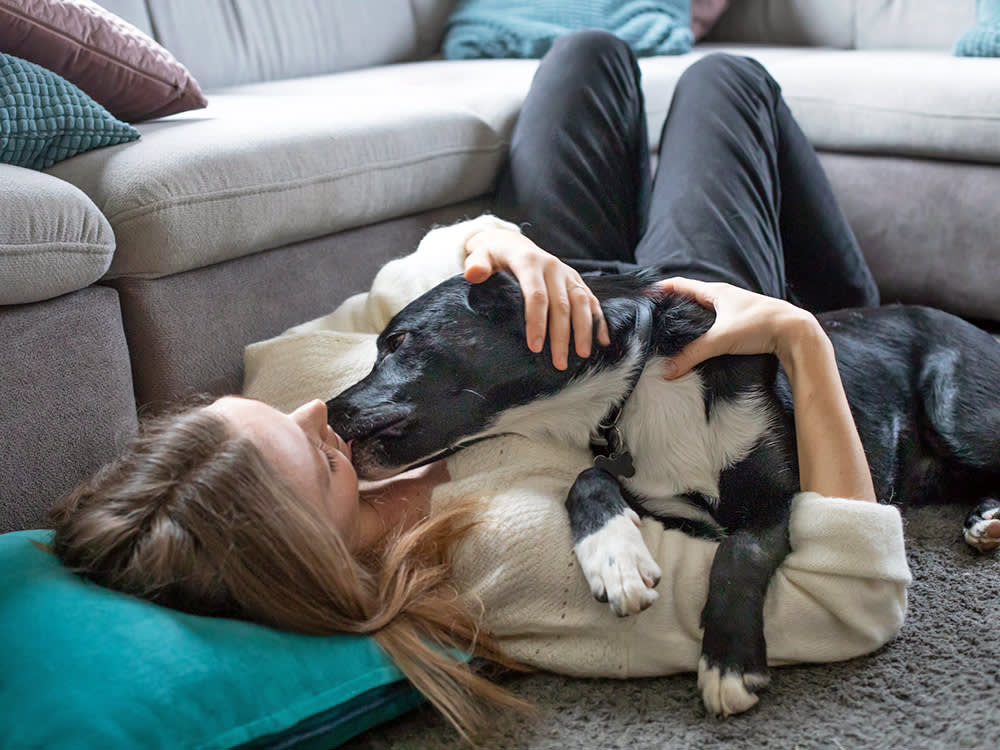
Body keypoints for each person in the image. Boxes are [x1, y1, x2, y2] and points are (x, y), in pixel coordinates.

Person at [49, 32, 917, 737]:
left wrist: (501, 248)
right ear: (318, 552)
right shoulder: (503, 562)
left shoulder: (297, 386)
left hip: (553, 312)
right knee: (728, 80)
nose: (323, 409)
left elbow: (411, 279)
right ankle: (852, 315)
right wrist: (805, 346)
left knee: (584, 56)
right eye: (320, 457)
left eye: (281, 413)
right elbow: (849, 598)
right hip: (705, 342)